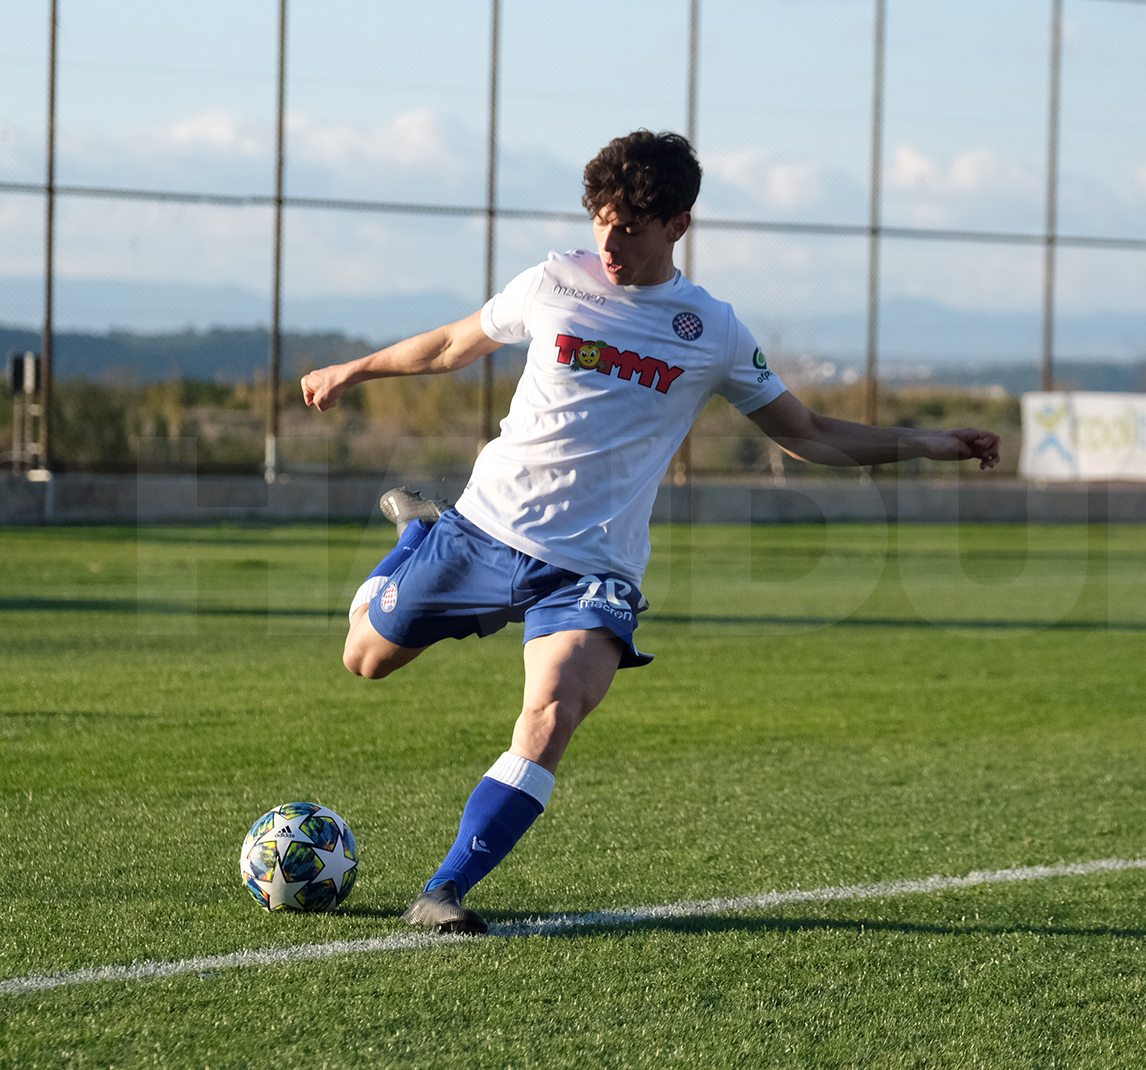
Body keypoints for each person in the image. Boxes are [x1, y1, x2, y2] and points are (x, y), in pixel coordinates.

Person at [301, 130, 1001, 935]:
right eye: (600, 218)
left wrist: (930, 443)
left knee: (552, 715)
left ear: (678, 225)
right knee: (365, 659)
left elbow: (805, 431)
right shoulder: (555, 280)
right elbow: (455, 344)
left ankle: (444, 892)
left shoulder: (714, 332)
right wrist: (354, 369)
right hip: (484, 529)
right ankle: (411, 537)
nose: (610, 240)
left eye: (629, 225)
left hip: (590, 570)